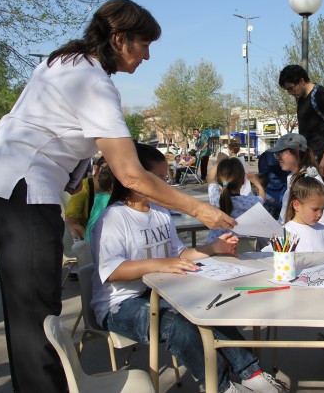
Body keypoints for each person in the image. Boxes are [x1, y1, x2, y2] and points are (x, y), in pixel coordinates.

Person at [0, 0, 235, 393]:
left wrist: (73, 173)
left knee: (27, 308)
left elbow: (50, 124)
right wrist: (202, 210)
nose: (147, 56)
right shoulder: (95, 82)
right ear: (119, 39)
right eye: (144, 45)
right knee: (35, 310)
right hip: (22, 187)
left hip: (7, 179)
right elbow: (132, 174)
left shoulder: (64, 61)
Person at [91, 143, 286, 393]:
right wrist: (160, 264)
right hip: (121, 305)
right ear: (135, 178)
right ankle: (221, 387)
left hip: (161, 294)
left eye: (165, 179)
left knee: (212, 305)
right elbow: (112, 271)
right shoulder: (113, 218)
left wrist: (213, 248)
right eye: (159, 180)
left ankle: (252, 374)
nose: (165, 187)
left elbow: (178, 255)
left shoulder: (160, 212)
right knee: (178, 323)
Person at [279, 65, 324, 241]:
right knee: (305, 199)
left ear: (301, 80)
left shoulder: (321, 95)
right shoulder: (301, 98)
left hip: (323, 158)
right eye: (287, 90)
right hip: (309, 157)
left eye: (291, 88)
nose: (290, 93)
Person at [267, 133, 324, 229]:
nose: (278, 158)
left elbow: (323, 219)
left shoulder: (310, 179)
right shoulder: (293, 177)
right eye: (276, 154)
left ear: (296, 151)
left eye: (281, 153)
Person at [206, 158, 266, 244]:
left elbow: (211, 179)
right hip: (242, 249)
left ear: (220, 180)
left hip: (215, 247)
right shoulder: (248, 202)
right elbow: (262, 198)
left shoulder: (216, 199)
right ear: (243, 181)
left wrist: (218, 163)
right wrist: (257, 183)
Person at [279, 174, 324, 253]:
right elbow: (269, 254)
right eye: (315, 209)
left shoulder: (323, 229)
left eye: (322, 209)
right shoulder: (286, 231)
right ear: (296, 205)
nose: (320, 214)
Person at [84, 161, 115, 243]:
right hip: (96, 244)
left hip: (89, 242)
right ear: (112, 185)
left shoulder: (98, 197)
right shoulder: (110, 202)